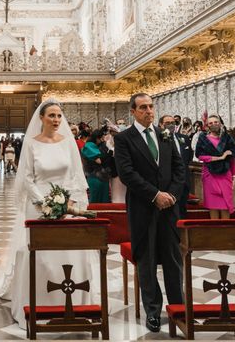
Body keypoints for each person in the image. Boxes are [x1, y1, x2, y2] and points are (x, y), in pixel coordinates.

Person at [0, 100, 100, 330]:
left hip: (67, 206)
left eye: (59, 116)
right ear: (41, 118)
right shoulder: (31, 144)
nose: (56, 120)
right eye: (51, 115)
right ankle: (39, 302)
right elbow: (28, 179)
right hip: (39, 207)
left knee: (70, 254)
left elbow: (73, 174)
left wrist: (67, 202)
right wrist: (46, 204)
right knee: (41, 256)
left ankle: (73, 304)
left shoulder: (67, 144)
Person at [113, 93, 185, 333]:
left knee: (174, 260)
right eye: (143, 107)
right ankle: (153, 311)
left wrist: (171, 195)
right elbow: (127, 173)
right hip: (143, 207)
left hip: (169, 209)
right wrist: (155, 195)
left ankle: (178, 308)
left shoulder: (165, 134)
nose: (149, 111)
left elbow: (178, 168)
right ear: (132, 111)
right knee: (147, 261)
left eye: (151, 106)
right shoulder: (124, 138)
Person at [195, 115, 235, 219]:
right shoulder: (203, 139)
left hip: (225, 175)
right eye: (210, 123)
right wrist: (219, 158)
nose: (213, 124)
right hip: (210, 175)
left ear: (220, 123)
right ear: (207, 125)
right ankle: (215, 232)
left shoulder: (227, 138)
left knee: (225, 206)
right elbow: (200, 156)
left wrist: (234, 176)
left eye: (215, 122)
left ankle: (225, 233)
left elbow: (232, 158)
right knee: (213, 206)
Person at [160, 115, 193, 218]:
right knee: (168, 212)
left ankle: (182, 233)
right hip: (168, 181)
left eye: (173, 123)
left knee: (182, 209)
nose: (171, 125)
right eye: (167, 123)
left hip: (184, 180)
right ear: (161, 125)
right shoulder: (160, 138)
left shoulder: (184, 138)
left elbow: (189, 156)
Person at [81, 129, 110, 203]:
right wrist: (106, 149)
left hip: (103, 176)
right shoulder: (89, 146)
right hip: (95, 176)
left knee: (104, 200)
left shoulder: (95, 145)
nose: (102, 140)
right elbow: (99, 161)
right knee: (95, 200)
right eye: (101, 138)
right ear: (97, 138)